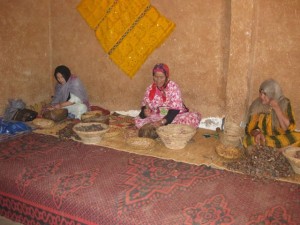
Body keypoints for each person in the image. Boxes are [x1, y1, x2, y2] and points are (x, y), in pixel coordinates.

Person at [135, 63, 201, 129]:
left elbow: (174, 111)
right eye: (156, 77)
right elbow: (144, 107)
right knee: (138, 120)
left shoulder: (173, 87)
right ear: (153, 76)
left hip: (175, 116)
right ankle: (165, 129)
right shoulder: (150, 89)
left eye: (161, 77)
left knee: (191, 118)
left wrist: (161, 122)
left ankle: (164, 128)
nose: (158, 80)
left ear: (166, 76)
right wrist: (145, 112)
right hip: (157, 115)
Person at [243, 79, 300, 149]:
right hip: (265, 138)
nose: (261, 97)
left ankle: (276, 150)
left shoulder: (285, 103)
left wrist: (277, 108)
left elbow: (288, 128)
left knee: (298, 137)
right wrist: (257, 134)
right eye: (260, 93)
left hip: (281, 137)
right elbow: (250, 129)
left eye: (265, 94)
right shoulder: (256, 105)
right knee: (247, 141)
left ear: (273, 95)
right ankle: (280, 150)